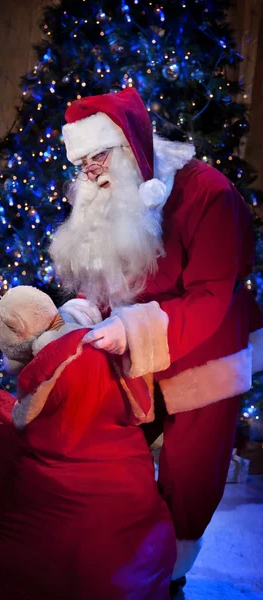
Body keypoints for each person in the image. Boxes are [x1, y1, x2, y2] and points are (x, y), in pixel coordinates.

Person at [49, 87, 263, 593]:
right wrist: (79, 313)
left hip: (206, 356)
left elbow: (212, 297)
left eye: (97, 156)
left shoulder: (208, 193)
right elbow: (103, 273)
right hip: (133, 351)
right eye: (81, 161)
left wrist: (130, 328)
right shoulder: (105, 192)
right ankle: (108, 555)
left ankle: (170, 576)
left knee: (189, 477)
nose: (90, 171)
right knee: (96, 449)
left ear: (128, 149)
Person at [0, 285, 176, 600]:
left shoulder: (48, 362)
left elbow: (22, 418)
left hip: (67, 483)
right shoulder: (105, 342)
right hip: (127, 482)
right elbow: (144, 411)